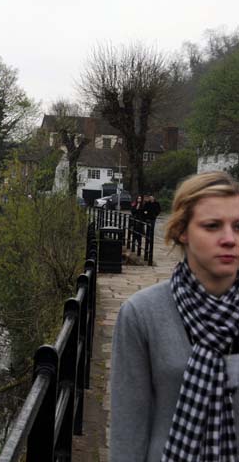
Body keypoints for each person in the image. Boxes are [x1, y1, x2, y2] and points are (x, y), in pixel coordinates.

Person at [110, 171, 239, 461]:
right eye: (212, 226)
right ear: (183, 231)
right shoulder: (142, 314)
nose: (229, 239)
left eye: (238, 226)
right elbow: (127, 429)